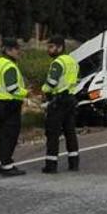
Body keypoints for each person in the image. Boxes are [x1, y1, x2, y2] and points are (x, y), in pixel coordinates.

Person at [0, 38, 29, 176]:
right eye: (16, 49)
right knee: (10, 136)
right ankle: (7, 166)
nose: (19, 51)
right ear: (8, 50)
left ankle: (0, 163)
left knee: (3, 136)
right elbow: (12, 88)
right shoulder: (9, 66)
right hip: (10, 105)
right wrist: (26, 92)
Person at [41, 36, 80, 174]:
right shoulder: (72, 61)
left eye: (51, 47)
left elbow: (51, 83)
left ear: (60, 47)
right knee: (70, 132)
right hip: (70, 99)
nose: (48, 50)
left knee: (53, 133)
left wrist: (44, 90)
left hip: (58, 101)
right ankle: (74, 163)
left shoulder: (57, 63)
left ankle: (51, 165)